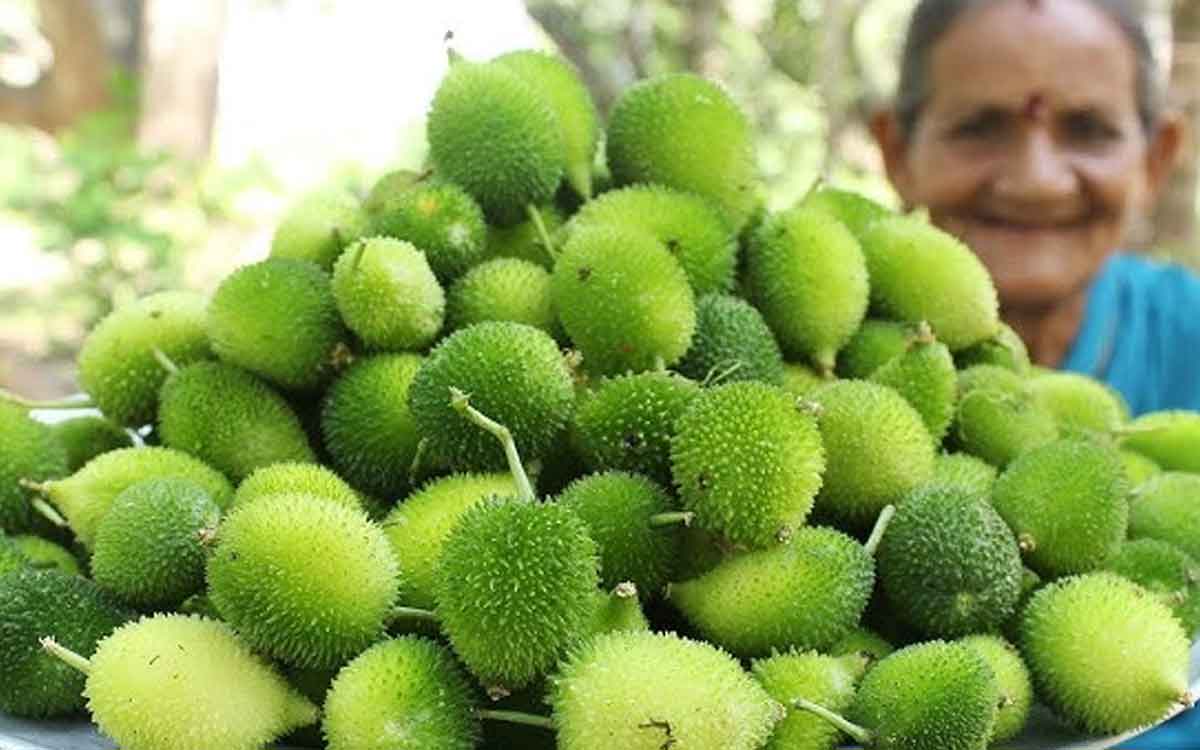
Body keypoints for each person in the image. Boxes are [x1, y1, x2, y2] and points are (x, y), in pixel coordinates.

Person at [870, 0, 1200, 746]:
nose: (1037, 179)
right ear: (896, 150)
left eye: (1087, 129)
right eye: (980, 127)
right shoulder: (813, 375)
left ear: (1157, 157)